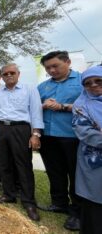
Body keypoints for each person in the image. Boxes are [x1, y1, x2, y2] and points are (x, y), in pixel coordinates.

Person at [0, 63, 43, 221]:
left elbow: (36, 112)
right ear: (2, 77)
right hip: (1, 129)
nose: (9, 75)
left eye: (12, 73)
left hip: (21, 129)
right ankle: (9, 194)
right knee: (3, 164)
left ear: (19, 74)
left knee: (23, 165)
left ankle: (28, 202)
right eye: (5, 74)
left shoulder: (29, 89)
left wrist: (36, 134)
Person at [38, 51, 82, 230]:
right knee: (55, 172)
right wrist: (42, 105)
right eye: (48, 68)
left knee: (76, 175)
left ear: (68, 62)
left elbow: (92, 104)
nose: (51, 70)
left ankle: (77, 212)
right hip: (48, 136)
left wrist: (63, 106)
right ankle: (59, 203)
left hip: (73, 136)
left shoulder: (83, 81)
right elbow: (33, 108)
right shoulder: (42, 87)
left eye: (55, 66)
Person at [72, 65, 102, 234]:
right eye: (88, 83)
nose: (93, 85)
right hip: (94, 161)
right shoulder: (81, 105)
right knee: (94, 205)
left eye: (99, 80)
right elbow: (85, 132)